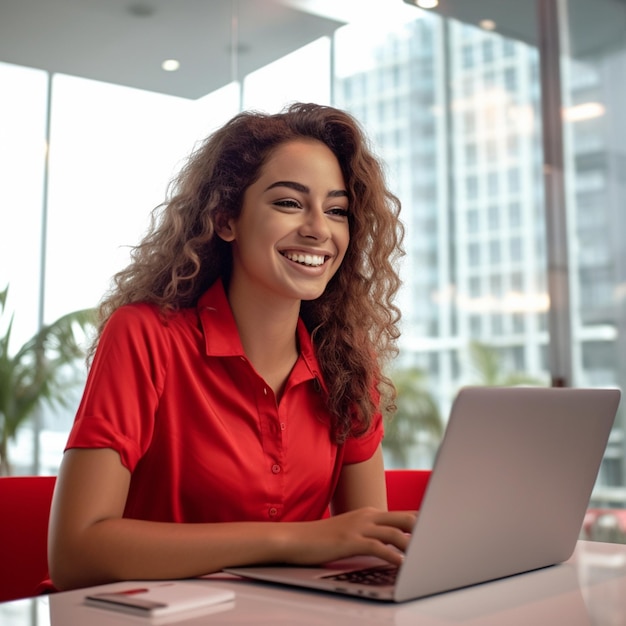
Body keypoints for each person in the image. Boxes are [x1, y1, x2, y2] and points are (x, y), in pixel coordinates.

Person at [48, 102, 414, 591]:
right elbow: (75, 552)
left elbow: (367, 544)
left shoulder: (347, 360)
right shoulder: (143, 335)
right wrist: (292, 540)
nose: (319, 229)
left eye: (336, 210)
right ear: (226, 219)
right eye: (288, 203)